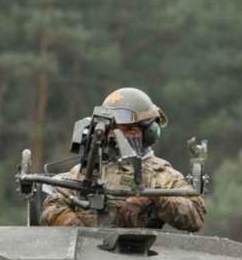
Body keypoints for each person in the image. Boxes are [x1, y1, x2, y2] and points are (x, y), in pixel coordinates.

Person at [39, 87, 205, 231]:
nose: (120, 136)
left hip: (141, 257)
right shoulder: (87, 169)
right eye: (115, 129)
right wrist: (80, 232)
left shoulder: (161, 174)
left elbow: (195, 216)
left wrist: (154, 197)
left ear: (149, 133)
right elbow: (52, 206)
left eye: (130, 129)